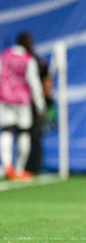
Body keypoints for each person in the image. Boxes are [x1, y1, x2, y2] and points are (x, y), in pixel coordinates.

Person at [0, 32, 46, 180]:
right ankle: (19, 169)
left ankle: (7, 166)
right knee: (23, 132)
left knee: (6, 130)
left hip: (5, 98)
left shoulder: (5, 55)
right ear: (24, 42)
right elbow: (34, 84)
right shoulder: (28, 59)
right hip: (22, 101)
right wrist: (40, 106)